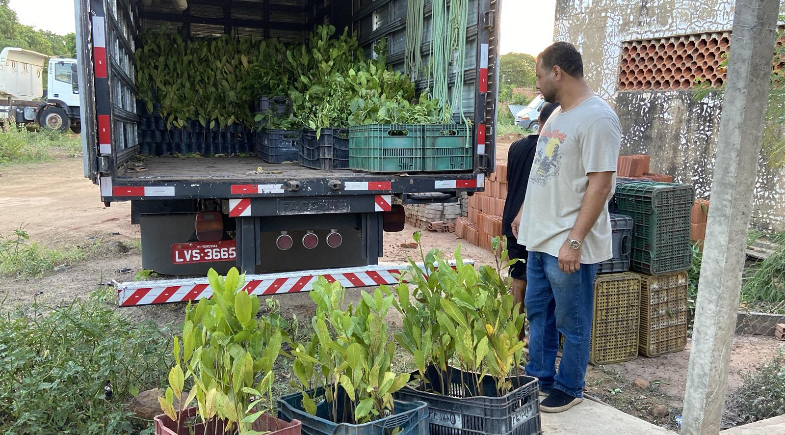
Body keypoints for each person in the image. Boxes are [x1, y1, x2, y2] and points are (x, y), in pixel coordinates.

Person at [511, 42, 621, 413]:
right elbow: (543, 169)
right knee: (539, 314)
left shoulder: (597, 118)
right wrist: (525, 210)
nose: (537, 84)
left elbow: (601, 185)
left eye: (539, 75)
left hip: (567, 244)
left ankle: (570, 386)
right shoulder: (557, 115)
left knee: (571, 321)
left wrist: (575, 241)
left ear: (557, 72)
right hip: (539, 238)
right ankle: (538, 376)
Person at [502, 101, 559, 344]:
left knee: (518, 280)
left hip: (511, 217)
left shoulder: (515, 146)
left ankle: (517, 334)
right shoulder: (551, 148)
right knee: (539, 283)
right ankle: (539, 338)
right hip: (533, 221)